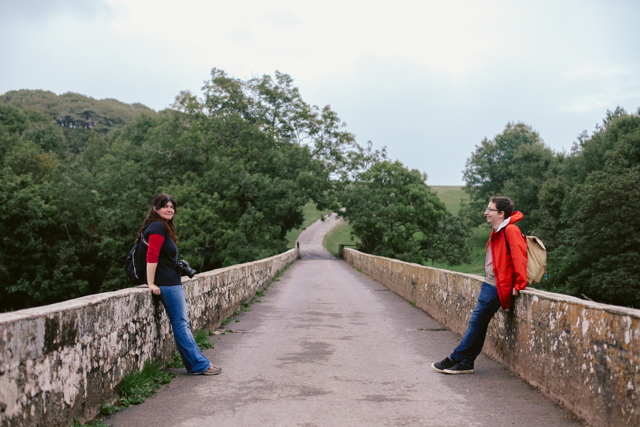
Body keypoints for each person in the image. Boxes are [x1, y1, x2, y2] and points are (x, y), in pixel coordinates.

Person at [432, 196, 527, 374]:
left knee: (476, 322)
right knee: (480, 324)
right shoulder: (499, 230)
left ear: (501, 213)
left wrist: (520, 284)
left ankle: (455, 358)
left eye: (490, 210)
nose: (486, 213)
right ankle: (467, 362)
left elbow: (520, 259)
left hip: (496, 287)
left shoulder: (511, 230)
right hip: (490, 284)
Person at [141, 193, 221, 376]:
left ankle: (199, 362)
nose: (170, 209)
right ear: (155, 209)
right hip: (167, 284)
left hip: (170, 281)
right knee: (181, 324)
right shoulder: (157, 228)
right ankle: (198, 365)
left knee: (182, 323)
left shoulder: (160, 226)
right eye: (165, 206)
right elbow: (151, 256)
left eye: (172, 206)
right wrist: (151, 283)